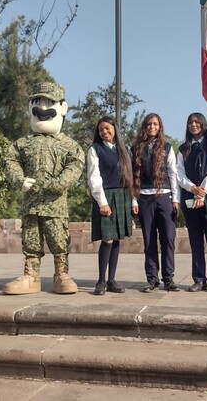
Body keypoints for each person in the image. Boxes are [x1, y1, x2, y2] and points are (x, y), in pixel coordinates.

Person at [2, 82, 85, 295]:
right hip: (31, 204)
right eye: (37, 102)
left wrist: (56, 184)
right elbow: (9, 159)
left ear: (63, 108)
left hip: (55, 205)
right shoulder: (22, 144)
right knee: (30, 241)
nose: (43, 108)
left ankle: (61, 275)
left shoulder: (69, 144)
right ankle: (31, 276)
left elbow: (75, 165)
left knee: (59, 240)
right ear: (30, 107)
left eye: (50, 102)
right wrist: (19, 179)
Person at [176, 112, 207, 294]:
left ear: (203, 124)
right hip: (190, 196)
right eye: (190, 122)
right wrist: (192, 189)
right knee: (195, 239)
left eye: (197, 122)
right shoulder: (183, 149)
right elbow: (178, 173)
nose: (193, 125)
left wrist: (202, 192)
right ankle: (199, 279)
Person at [131, 113, 181, 292]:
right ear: (144, 127)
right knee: (149, 240)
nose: (152, 127)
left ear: (160, 127)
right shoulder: (136, 148)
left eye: (155, 124)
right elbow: (132, 176)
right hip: (144, 197)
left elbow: (173, 173)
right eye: (149, 124)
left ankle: (168, 278)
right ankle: (152, 279)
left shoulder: (167, 147)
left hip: (164, 195)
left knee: (168, 237)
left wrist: (176, 198)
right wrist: (133, 200)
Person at [87, 116, 133, 296]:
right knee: (107, 239)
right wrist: (102, 202)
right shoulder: (95, 149)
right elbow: (93, 177)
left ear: (115, 128)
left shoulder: (124, 150)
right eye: (101, 130)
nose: (104, 132)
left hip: (122, 195)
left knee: (116, 240)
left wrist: (132, 201)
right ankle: (100, 281)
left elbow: (129, 177)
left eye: (107, 128)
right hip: (105, 196)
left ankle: (112, 280)